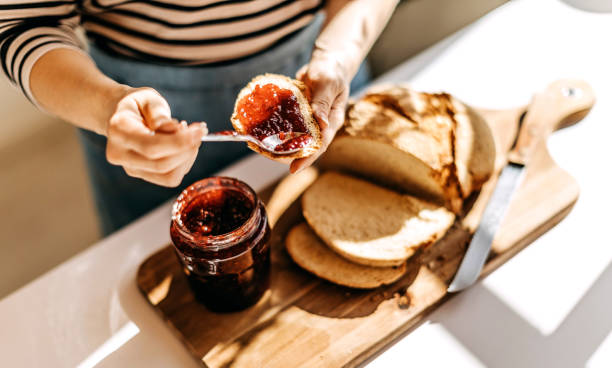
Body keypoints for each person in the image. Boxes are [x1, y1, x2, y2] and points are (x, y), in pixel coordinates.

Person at [0, 0, 399, 235]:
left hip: (320, 79)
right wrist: (108, 107)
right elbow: (25, 24)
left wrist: (338, 56)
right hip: (136, 114)